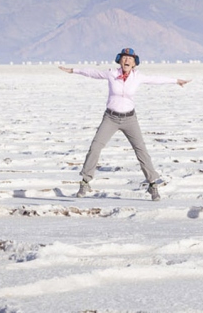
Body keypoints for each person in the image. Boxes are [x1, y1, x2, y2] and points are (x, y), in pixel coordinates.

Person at [59, 48, 189, 201]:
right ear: (119, 60)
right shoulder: (111, 74)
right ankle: (85, 182)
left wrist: (176, 81)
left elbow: (156, 79)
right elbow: (92, 73)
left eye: (130, 58)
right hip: (110, 118)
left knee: (141, 150)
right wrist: (73, 70)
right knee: (95, 147)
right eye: (124, 58)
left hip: (129, 119)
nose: (127, 60)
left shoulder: (138, 77)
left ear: (135, 63)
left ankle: (153, 185)